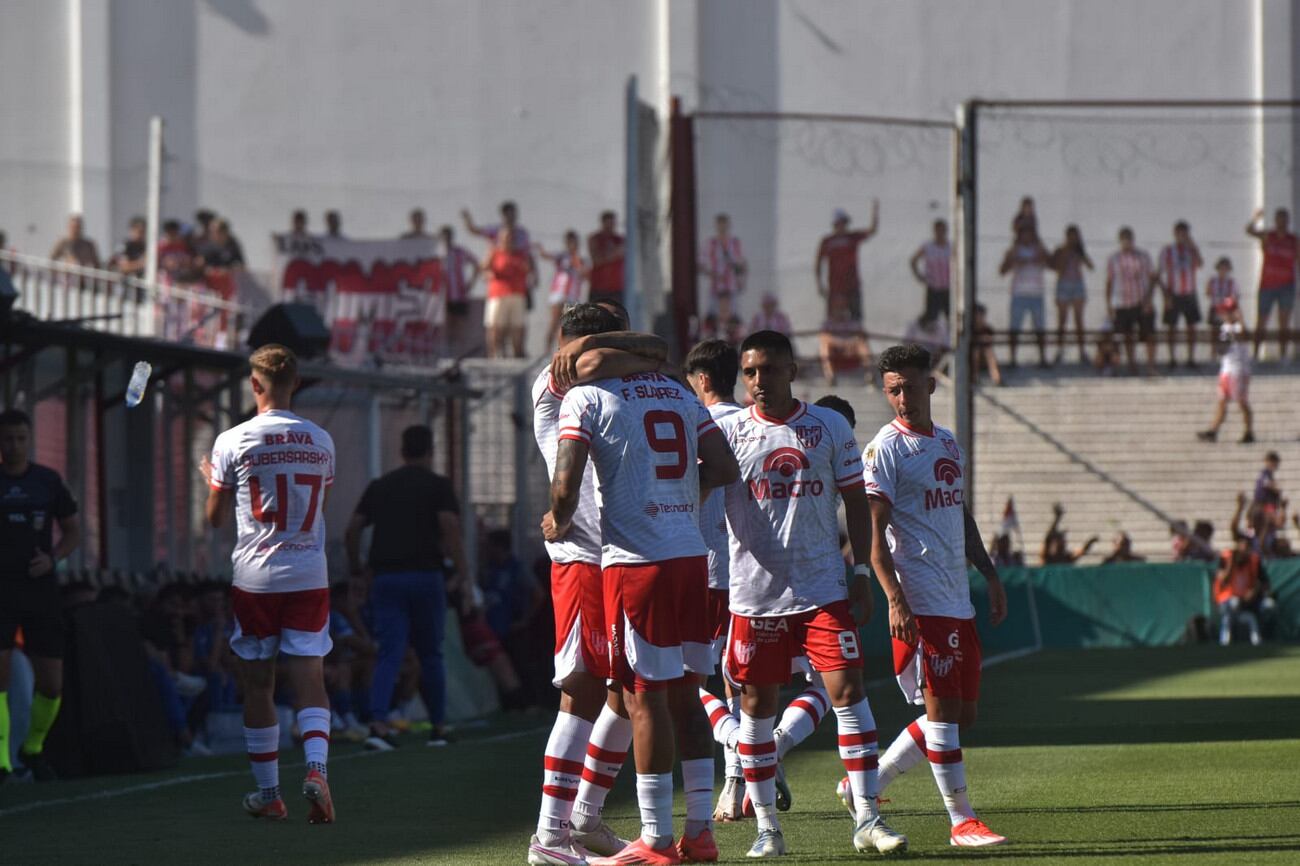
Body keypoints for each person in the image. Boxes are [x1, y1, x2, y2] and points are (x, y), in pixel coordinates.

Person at [546, 329, 739, 865]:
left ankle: (654, 839)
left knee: (642, 697)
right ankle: (699, 833)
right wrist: (680, 501)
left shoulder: (586, 397)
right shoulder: (679, 392)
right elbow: (724, 468)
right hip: (689, 555)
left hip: (636, 564)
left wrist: (558, 519)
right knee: (687, 694)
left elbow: (566, 484)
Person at [709, 331, 904, 858]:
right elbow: (698, 496)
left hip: (822, 589)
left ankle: (867, 817)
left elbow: (855, 504)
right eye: (750, 373)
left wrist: (861, 571)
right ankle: (767, 828)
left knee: (848, 691)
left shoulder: (828, 426)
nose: (758, 382)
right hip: (754, 598)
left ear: (791, 370)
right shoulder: (726, 433)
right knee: (756, 707)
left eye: (769, 370)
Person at [528, 304, 670, 865]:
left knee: (622, 688)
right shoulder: (562, 375)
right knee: (582, 690)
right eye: (610, 339)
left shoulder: (602, 370)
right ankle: (548, 835)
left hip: (617, 552)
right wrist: (621, 346)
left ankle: (584, 817)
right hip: (583, 555)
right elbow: (654, 349)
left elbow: (656, 347)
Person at [864, 343, 1009, 849]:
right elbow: (873, 536)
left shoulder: (948, 443)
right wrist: (895, 599)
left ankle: (869, 784)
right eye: (892, 390)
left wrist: (988, 574)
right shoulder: (886, 448)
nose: (902, 398)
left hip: (956, 598)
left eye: (909, 386)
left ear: (931, 384)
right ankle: (962, 821)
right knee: (945, 714)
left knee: (960, 715)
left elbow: (959, 514)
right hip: (921, 598)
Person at [200, 344, 337, 823]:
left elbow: (214, 519)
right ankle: (316, 770)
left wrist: (211, 485)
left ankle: (270, 794)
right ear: (295, 382)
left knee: (259, 683)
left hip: (255, 578)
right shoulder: (321, 440)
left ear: (254, 385)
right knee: (311, 679)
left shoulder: (231, 440)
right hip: (308, 572)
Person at [343, 424, 470, 750]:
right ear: (430, 451)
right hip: (426, 576)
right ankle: (438, 726)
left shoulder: (380, 486)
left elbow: (353, 528)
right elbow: (450, 526)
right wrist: (463, 571)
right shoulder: (438, 486)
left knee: (389, 653)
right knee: (430, 653)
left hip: (385, 578)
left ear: (402, 450)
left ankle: (377, 724)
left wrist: (357, 568)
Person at [681, 340, 750, 822]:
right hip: (744, 572)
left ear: (702, 379)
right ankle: (739, 780)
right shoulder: (749, 424)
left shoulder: (702, 426)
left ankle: (746, 753)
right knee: (734, 682)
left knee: (684, 683)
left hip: (705, 569)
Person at [0, 409, 80, 784]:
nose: (13, 445)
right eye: (6, 439)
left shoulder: (47, 481)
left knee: (52, 682)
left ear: (28, 440)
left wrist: (53, 559)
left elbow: (73, 532)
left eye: (19, 438)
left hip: (40, 589)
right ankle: (2, 761)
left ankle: (33, 748)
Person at [1197, 298, 1254, 443]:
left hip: (1238, 370)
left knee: (1242, 402)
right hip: (1226, 370)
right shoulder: (1224, 328)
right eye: (1224, 311)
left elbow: (1244, 337)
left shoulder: (1239, 327)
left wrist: (1240, 320)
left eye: (1228, 311)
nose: (1225, 314)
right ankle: (1213, 431)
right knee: (1222, 401)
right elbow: (1222, 350)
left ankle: (1249, 431)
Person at [1245, 207, 1298, 361]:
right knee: (1261, 321)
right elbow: (1249, 230)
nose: (1282, 222)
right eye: (1279, 219)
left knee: (1284, 322)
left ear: (1288, 221)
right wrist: (1256, 218)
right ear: (1275, 220)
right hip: (1267, 285)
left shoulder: (1293, 240)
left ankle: (1283, 355)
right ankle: (1255, 355)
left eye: (1284, 219)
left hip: (1287, 285)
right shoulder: (1268, 236)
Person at [1105, 227, 1157, 376]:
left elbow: (1152, 277)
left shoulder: (1143, 256)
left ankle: (1150, 365)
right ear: (1120, 241)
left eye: (1129, 238)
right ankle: (1131, 364)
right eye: (1124, 239)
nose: (1127, 242)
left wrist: (1148, 299)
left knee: (1149, 335)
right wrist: (1109, 304)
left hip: (1141, 301)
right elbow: (1109, 281)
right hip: (1122, 302)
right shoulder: (1114, 259)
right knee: (1127, 335)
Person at [815, 202, 879, 323]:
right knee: (833, 320)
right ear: (835, 224)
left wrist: (875, 213)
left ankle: (856, 341)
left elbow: (872, 231)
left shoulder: (853, 237)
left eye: (845, 222)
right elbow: (818, 264)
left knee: (856, 320)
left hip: (853, 287)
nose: (843, 226)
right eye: (840, 222)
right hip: (835, 289)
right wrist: (820, 285)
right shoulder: (827, 241)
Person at [1000, 224, 1050, 368]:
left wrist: (1041, 257)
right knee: (1015, 328)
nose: (1027, 237)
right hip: (1019, 293)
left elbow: (1052, 263)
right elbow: (1002, 270)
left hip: (1036, 293)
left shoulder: (1039, 250)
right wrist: (1014, 260)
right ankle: (1012, 359)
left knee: (1040, 328)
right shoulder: (1014, 251)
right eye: (1024, 234)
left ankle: (1042, 358)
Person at [1156, 221, 1204, 368]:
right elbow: (1158, 274)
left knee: (1191, 327)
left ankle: (1191, 358)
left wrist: (1193, 245)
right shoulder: (1167, 251)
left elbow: (1200, 264)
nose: (1182, 236)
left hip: (1189, 293)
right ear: (1175, 234)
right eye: (1179, 233)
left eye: (1185, 233)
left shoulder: (1191, 251)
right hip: (1173, 294)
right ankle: (1172, 358)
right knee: (1171, 327)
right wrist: (1165, 294)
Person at [482, 227, 532, 358]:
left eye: (510, 238)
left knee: (517, 326)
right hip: (498, 293)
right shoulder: (495, 253)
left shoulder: (520, 254)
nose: (508, 240)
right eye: (505, 237)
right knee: (495, 326)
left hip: (517, 294)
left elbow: (528, 270)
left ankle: (517, 354)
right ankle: (493, 354)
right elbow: (484, 270)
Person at [535, 231, 587, 352]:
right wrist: (539, 248)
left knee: (570, 325)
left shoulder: (581, 259)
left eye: (574, 242)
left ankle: (567, 349)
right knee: (554, 322)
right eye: (569, 242)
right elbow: (546, 255)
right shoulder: (561, 256)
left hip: (572, 296)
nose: (572, 245)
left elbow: (584, 274)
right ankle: (547, 350)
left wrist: (577, 263)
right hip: (558, 294)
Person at [1049, 225, 1092, 364]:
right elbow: (1054, 267)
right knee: (1062, 320)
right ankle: (1059, 350)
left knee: (1079, 320)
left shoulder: (1079, 251)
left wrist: (1080, 252)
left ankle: (1082, 351)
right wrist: (1066, 254)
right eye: (1071, 236)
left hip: (1077, 284)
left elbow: (1090, 266)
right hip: (1063, 284)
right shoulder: (1060, 250)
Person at [1214, 536, 1266, 646]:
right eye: (1242, 546)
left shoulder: (1253, 561)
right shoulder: (1226, 559)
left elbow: (1261, 582)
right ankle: (1225, 642)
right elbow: (1223, 580)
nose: (1244, 551)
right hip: (1227, 601)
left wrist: (1253, 592)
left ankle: (1257, 640)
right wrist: (1231, 563)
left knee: (1259, 612)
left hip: (1245, 602)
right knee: (1232, 607)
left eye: (1247, 547)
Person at [438, 225, 481, 345]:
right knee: (444, 322)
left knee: (460, 322)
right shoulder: (436, 254)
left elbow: (477, 264)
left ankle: (458, 347)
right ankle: (446, 347)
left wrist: (471, 283)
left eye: (448, 236)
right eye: (443, 237)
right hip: (441, 295)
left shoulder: (460, 252)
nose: (446, 239)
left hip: (459, 293)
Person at [700, 213, 746, 322]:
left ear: (728, 225)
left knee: (734, 315)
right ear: (716, 226)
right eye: (720, 225)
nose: (722, 227)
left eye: (724, 224)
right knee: (713, 315)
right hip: (716, 286)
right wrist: (712, 274)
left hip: (731, 286)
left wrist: (741, 279)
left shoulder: (735, 243)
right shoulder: (710, 243)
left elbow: (741, 263)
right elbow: (701, 263)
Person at [819, 296, 874, 386]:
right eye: (838, 307)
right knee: (825, 345)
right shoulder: (828, 324)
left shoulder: (853, 323)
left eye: (842, 307)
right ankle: (830, 376)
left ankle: (869, 374)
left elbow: (861, 336)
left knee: (862, 344)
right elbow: (825, 337)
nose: (840, 310)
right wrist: (842, 344)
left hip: (852, 352)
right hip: (835, 352)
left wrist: (850, 344)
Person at [910, 219, 951, 323]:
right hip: (933, 288)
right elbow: (913, 260)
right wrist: (919, 276)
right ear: (934, 231)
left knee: (950, 317)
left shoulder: (951, 247)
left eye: (943, 230)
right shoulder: (928, 246)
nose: (941, 233)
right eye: (938, 230)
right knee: (931, 317)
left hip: (948, 289)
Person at [587, 211, 626, 307]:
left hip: (616, 288)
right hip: (598, 288)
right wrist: (615, 253)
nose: (610, 227)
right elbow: (596, 260)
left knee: (615, 318)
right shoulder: (595, 238)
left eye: (612, 224)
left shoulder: (620, 240)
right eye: (607, 224)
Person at [971, 304, 1002, 386]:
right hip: (972, 359)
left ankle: (997, 379)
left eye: (981, 316)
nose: (979, 318)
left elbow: (989, 343)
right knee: (975, 352)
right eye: (977, 316)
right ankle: (974, 378)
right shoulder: (970, 329)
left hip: (985, 359)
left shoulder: (987, 329)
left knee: (989, 353)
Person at [1206, 256, 1239, 331]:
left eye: (1225, 269)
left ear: (1228, 270)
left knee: (1226, 334)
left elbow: (1233, 298)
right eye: (1221, 268)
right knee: (1214, 333)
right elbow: (1208, 294)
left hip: (1227, 310)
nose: (1223, 271)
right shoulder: (1212, 281)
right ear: (1218, 269)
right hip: (1214, 308)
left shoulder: (1232, 282)